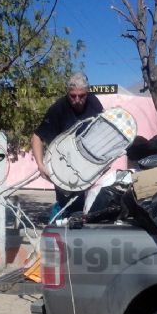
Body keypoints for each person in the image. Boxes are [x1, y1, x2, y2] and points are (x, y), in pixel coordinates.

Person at [31, 72, 104, 217]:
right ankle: (59, 233)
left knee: (90, 208)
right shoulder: (58, 108)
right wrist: (40, 165)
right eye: (73, 96)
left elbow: (103, 131)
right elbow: (37, 137)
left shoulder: (94, 103)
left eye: (82, 96)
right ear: (67, 93)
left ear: (87, 92)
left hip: (88, 167)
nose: (77, 100)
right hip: (64, 167)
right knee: (67, 209)